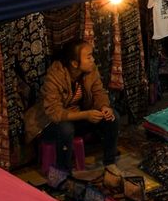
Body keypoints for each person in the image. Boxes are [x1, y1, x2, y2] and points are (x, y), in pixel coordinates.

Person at [24, 39, 118, 173]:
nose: (92, 59)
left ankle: (110, 163)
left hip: (76, 117)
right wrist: (86, 115)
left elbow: (99, 92)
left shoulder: (91, 70)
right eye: (88, 57)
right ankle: (63, 172)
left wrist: (104, 107)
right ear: (74, 63)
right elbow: (55, 112)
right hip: (48, 123)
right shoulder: (55, 76)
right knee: (66, 128)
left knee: (113, 117)